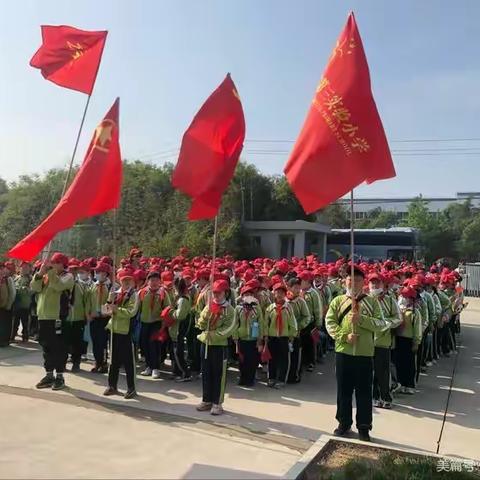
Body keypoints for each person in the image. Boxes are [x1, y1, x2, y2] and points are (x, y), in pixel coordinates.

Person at [325, 266, 387, 442]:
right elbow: (329, 322)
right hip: (343, 352)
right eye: (350, 279)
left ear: (363, 282)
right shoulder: (338, 301)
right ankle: (344, 423)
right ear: (345, 281)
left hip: (364, 354)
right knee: (343, 391)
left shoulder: (372, 302)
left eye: (358, 280)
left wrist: (362, 320)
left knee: (364, 392)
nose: (353, 283)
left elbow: (381, 324)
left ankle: (364, 426)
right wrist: (344, 336)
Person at [31, 253, 74, 390]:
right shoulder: (47, 276)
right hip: (43, 316)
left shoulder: (67, 276)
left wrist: (49, 271)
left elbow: (58, 286)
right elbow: (35, 287)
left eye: (55, 263)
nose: (53, 265)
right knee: (46, 345)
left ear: (62, 264)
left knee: (59, 346)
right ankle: (49, 374)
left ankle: (60, 375)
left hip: (57, 316)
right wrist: (39, 274)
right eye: (52, 263)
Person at [196, 279, 236, 415]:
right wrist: (206, 316)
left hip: (219, 346)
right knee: (206, 373)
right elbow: (200, 323)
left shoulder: (230, 310)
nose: (216, 295)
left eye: (219, 293)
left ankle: (217, 403)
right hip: (206, 344)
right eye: (214, 293)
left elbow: (229, 328)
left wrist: (213, 334)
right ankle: (206, 399)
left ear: (225, 292)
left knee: (219, 375)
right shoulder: (209, 306)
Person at [104, 269, 139, 399]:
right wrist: (109, 301)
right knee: (113, 360)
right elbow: (107, 311)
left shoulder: (134, 295)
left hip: (126, 331)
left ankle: (131, 388)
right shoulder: (115, 293)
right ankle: (112, 385)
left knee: (128, 362)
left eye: (129, 280)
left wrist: (117, 310)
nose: (126, 282)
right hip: (113, 330)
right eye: (124, 280)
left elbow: (132, 312)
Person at [368, 273, 401, 409]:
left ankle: (385, 396)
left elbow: (398, 318)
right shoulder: (365, 299)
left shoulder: (389, 300)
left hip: (383, 341)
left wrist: (386, 323)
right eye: (372, 283)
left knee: (383, 371)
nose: (375, 285)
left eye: (377, 283)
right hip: (368, 342)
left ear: (383, 285)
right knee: (371, 371)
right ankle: (374, 396)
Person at [264, 283, 298, 389]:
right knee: (272, 359)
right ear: (274, 294)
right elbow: (265, 323)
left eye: (281, 293)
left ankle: (281, 379)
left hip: (284, 337)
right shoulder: (270, 308)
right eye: (277, 292)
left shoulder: (288, 308)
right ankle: (271, 378)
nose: (279, 295)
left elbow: (292, 322)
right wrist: (265, 335)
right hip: (272, 337)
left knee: (283, 359)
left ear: (285, 294)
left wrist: (292, 335)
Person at [233, 283, 264, 387]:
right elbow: (235, 324)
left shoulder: (257, 309)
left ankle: (250, 379)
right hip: (242, 338)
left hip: (253, 339)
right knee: (242, 361)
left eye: (250, 294)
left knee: (252, 361)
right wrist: (235, 338)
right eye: (245, 294)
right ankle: (242, 378)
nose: (248, 296)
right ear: (242, 296)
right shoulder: (238, 309)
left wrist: (260, 339)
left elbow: (261, 324)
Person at [64, 261, 92, 372]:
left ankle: (76, 363)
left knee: (77, 343)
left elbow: (87, 302)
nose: (73, 272)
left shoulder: (82, 286)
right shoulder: (64, 284)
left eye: (75, 270)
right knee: (64, 342)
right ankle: (63, 363)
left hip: (78, 319)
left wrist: (86, 315)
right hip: (66, 318)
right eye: (71, 269)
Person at [395, 285, 423, 394]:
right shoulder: (399, 310)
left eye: (406, 297)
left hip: (409, 341)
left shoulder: (415, 313)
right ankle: (401, 383)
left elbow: (417, 329)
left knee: (410, 363)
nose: (404, 299)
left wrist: (416, 342)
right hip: (399, 339)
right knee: (399, 363)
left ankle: (410, 384)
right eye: (403, 296)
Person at [138, 271, 166, 379]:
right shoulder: (142, 292)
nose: (154, 282)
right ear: (148, 281)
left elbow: (167, 308)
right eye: (152, 280)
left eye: (156, 280)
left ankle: (155, 368)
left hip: (157, 323)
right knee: (144, 345)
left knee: (154, 345)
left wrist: (164, 323)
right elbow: (138, 307)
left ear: (160, 281)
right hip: (145, 322)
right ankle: (148, 366)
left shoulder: (162, 293)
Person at [167, 277, 192, 382]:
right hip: (176, 329)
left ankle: (185, 373)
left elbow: (180, 315)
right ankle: (177, 371)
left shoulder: (182, 300)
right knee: (175, 351)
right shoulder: (182, 297)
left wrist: (171, 312)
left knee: (179, 352)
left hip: (179, 328)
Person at [286, 277, 310, 384]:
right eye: (295, 287)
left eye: (298, 287)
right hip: (283, 332)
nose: (297, 290)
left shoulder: (300, 301)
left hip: (296, 333)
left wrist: (298, 326)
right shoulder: (283, 299)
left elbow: (307, 317)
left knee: (296, 355)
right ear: (288, 287)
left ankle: (294, 375)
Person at [89, 262, 112, 373]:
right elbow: (88, 300)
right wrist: (89, 313)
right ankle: (97, 361)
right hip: (94, 317)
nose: (96, 274)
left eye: (99, 272)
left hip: (104, 318)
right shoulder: (93, 285)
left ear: (105, 273)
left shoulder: (111, 287)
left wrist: (103, 313)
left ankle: (103, 363)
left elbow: (111, 302)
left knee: (102, 342)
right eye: (96, 272)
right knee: (95, 341)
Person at [12, 261, 32, 342]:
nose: (24, 269)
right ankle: (12, 335)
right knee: (15, 321)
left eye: (26, 267)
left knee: (25, 322)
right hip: (17, 304)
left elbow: (32, 291)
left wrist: (25, 289)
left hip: (25, 304)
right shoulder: (16, 278)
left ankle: (25, 336)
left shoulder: (30, 279)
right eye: (23, 267)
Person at [0, 262, 16, 347]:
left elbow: (12, 293)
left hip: (6, 306)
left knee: (6, 324)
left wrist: (9, 305)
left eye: (2, 269)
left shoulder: (8, 279)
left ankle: (5, 340)